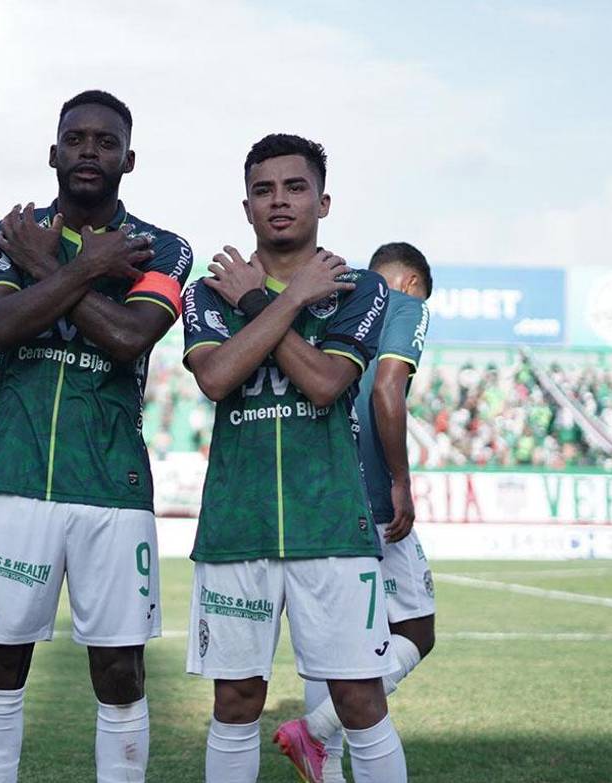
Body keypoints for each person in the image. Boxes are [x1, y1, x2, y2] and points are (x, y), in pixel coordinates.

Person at [0, 89, 193, 783]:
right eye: (76, 138)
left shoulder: (162, 248)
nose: (90, 150)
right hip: (18, 479)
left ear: (129, 160)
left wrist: (49, 268)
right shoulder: (4, 232)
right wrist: (88, 268)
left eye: (106, 141)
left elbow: (128, 337)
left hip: (113, 485)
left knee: (120, 669)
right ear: (53, 153)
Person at [181, 133, 403, 783]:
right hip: (237, 525)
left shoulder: (359, 287)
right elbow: (216, 376)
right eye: (263, 190)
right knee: (235, 702)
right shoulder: (208, 291)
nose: (279, 200)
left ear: (323, 202)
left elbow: (328, 382)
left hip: (331, 524)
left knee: (360, 702)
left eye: (295, 187)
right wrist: (285, 300)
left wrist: (258, 303)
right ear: (246, 207)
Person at [275, 242, 434, 782]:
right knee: (418, 629)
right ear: (411, 283)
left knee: (331, 643)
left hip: (315, 494)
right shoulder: (403, 304)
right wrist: (401, 481)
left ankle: (322, 756)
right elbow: (387, 389)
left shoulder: (332, 298)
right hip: (371, 497)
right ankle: (317, 729)